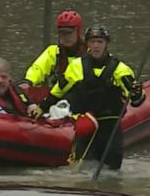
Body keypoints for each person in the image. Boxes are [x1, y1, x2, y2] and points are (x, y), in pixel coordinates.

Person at [31, 24, 145, 169]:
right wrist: (42, 107)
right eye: (92, 42)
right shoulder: (76, 66)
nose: (96, 46)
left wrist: (137, 93)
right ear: (87, 43)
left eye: (100, 42)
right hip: (86, 125)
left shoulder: (120, 69)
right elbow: (58, 90)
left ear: (106, 44)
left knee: (112, 170)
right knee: (83, 167)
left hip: (109, 127)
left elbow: (136, 100)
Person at [19, 10, 87, 90]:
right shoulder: (53, 52)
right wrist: (28, 81)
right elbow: (38, 68)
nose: (65, 37)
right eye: (62, 33)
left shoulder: (89, 53)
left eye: (69, 33)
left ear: (78, 32)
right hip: (56, 97)